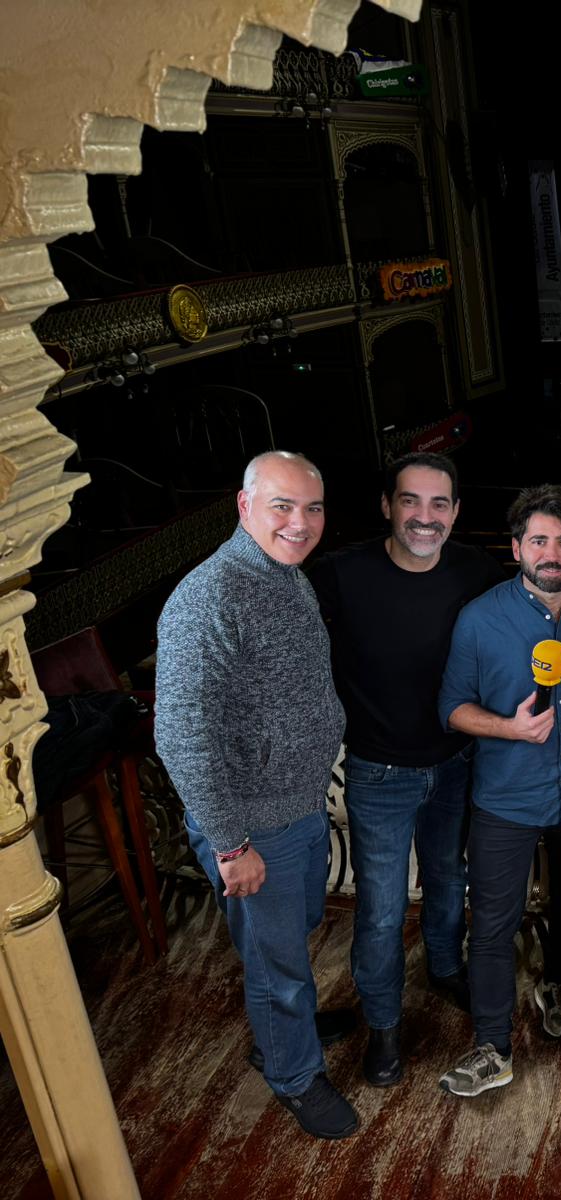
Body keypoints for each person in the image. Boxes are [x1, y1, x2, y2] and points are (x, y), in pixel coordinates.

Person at [155, 451, 357, 1139]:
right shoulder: (209, 596)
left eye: (313, 508)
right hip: (250, 826)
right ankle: (294, 1075)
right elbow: (181, 736)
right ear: (244, 507)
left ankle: (281, 1032)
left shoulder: (285, 573)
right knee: (277, 962)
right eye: (281, 506)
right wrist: (230, 844)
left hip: (295, 808)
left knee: (291, 941)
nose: (299, 523)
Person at [309, 452, 504, 1088]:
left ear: (455, 512)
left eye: (439, 503)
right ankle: (385, 1028)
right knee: (383, 910)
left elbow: (544, 593)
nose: (425, 517)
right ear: (387, 506)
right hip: (378, 773)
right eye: (411, 502)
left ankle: (446, 970)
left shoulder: (475, 568)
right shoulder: (340, 573)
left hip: (455, 763)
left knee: (449, 878)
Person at [435, 485, 561, 1097]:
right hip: (505, 798)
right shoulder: (480, 618)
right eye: (539, 540)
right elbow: (451, 707)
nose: (551, 552)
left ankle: (559, 986)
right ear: (516, 549)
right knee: (492, 926)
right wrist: (507, 727)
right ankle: (492, 1046)